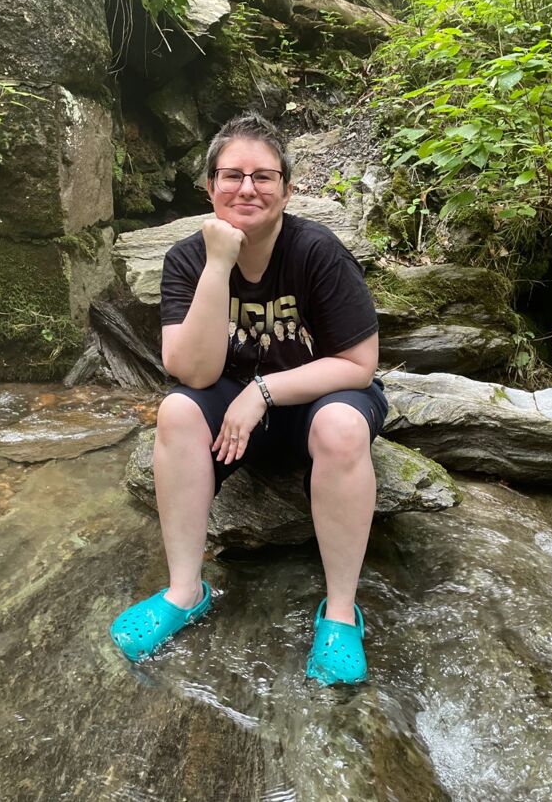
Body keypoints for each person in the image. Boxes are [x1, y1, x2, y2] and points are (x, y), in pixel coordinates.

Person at [110, 112, 388, 686]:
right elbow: (191, 370)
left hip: (320, 399)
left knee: (341, 427)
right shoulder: (187, 258)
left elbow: (359, 365)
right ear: (209, 186)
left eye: (263, 176)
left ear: (287, 189)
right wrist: (218, 263)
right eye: (232, 175)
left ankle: (341, 613)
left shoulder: (317, 252)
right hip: (231, 405)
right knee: (177, 410)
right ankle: (184, 591)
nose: (247, 188)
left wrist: (264, 391)